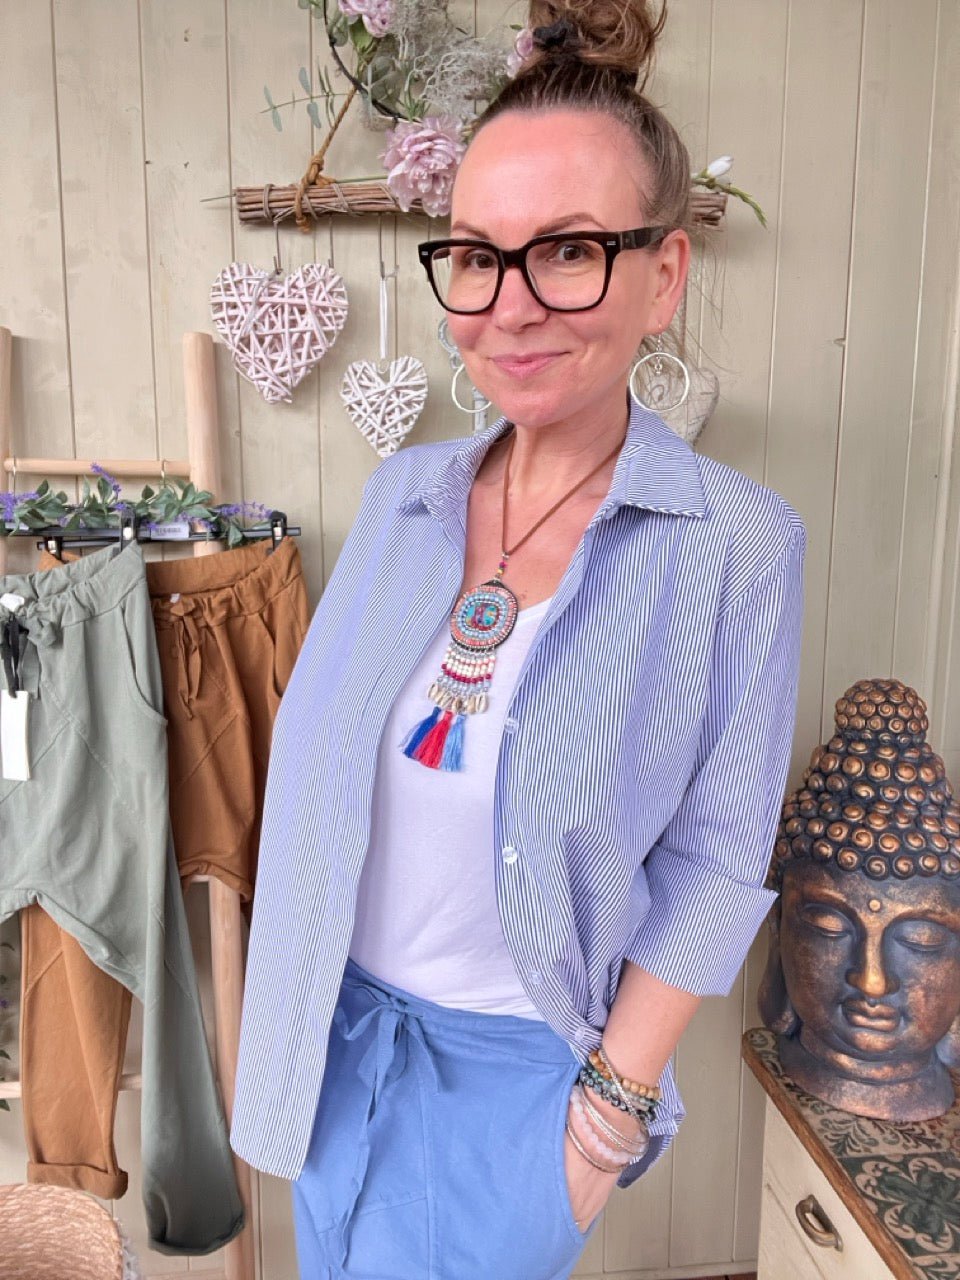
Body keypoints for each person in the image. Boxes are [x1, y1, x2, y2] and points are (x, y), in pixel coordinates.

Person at [231, 3, 806, 1276]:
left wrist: (601, 1125)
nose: (512, 305)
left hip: (518, 1097)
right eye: (480, 257)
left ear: (664, 274)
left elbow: (718, 863)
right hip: (330, 1052)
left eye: (572, 251)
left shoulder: (738, 546)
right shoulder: (403, 497)